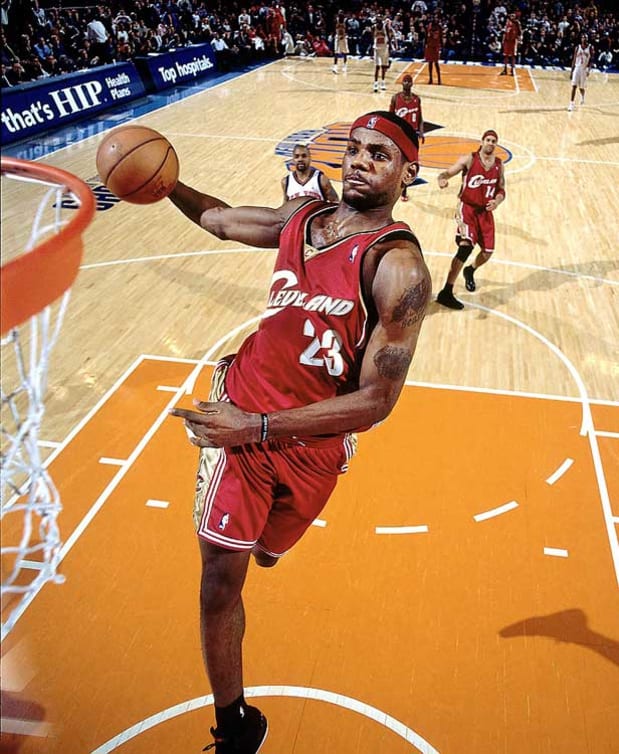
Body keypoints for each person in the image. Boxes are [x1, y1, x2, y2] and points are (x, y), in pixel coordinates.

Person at [167, 110, 430, 752]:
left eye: (380, 155)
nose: (361, 161)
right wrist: (163, 181)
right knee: (219, 579)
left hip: (308, 443)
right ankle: (235, 725)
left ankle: (268, 538)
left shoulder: (398, 268)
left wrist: (261, 426)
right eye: (356, 149)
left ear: (407, 174)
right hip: (240, 413)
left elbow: (376, 401)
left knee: (267, 550)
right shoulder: (299, 220)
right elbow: (220, 219)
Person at [435, 129, 506, 310]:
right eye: (488, 140)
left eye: (494, 141)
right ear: (482, 141)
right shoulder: (469, 159)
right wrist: (442, 180)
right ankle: (446, 292)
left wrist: (497, 202)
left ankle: (470, 270)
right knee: (466, 246)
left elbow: (501, 190)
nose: (491, 143)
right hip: (467, 208)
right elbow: (444, 174)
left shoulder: (499, 165)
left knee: (487, 252)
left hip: (485, 213)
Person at [389, 73, 425, 201]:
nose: (407, 83)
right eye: (405, 81)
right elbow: (390, 117)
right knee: (396, 162)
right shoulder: (395, 98)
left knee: (410, 163)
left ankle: (404, 190)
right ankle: (392, 186)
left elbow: (420, 117)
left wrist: (422, 132)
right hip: (399, 134)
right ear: (402, 83)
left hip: (412, 135)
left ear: (412, 84)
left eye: (409, 81)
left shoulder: (417, 99)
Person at [568, 33, 593, 111]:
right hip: (577, 68)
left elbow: (592, 60)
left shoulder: (590, 47)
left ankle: (582, 96)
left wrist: (589, 69)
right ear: (581, 38)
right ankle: (571, 104)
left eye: (585, 37)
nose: (584, 39)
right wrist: (571, 71)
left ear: (587, 39)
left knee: (581, 87)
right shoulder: (577, 47)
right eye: (583, 37)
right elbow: (574, 59)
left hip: (584, 69)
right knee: (574, 86)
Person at [372, 13, 393, 91]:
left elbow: (389, 37)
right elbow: (372, 38)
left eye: (380, 18)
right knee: (377, 66)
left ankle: (383, 83)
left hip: (384, 48)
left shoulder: (385, 26)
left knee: (384, 66)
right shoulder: (373, 27)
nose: (379, 19)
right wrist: (371, 49)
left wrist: (390, 46)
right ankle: (375, 83)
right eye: (378, 18)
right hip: (377, 48)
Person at [424, 16, 443, 85]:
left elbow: (439, 36)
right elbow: (426, 36)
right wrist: (426, 44)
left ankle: (439, 79)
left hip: (435, 47)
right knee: (430, 63)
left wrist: (441, 46)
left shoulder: (438, 27)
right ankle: (430, 79)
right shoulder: (429, 26)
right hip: (430, 46)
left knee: (436, 63)